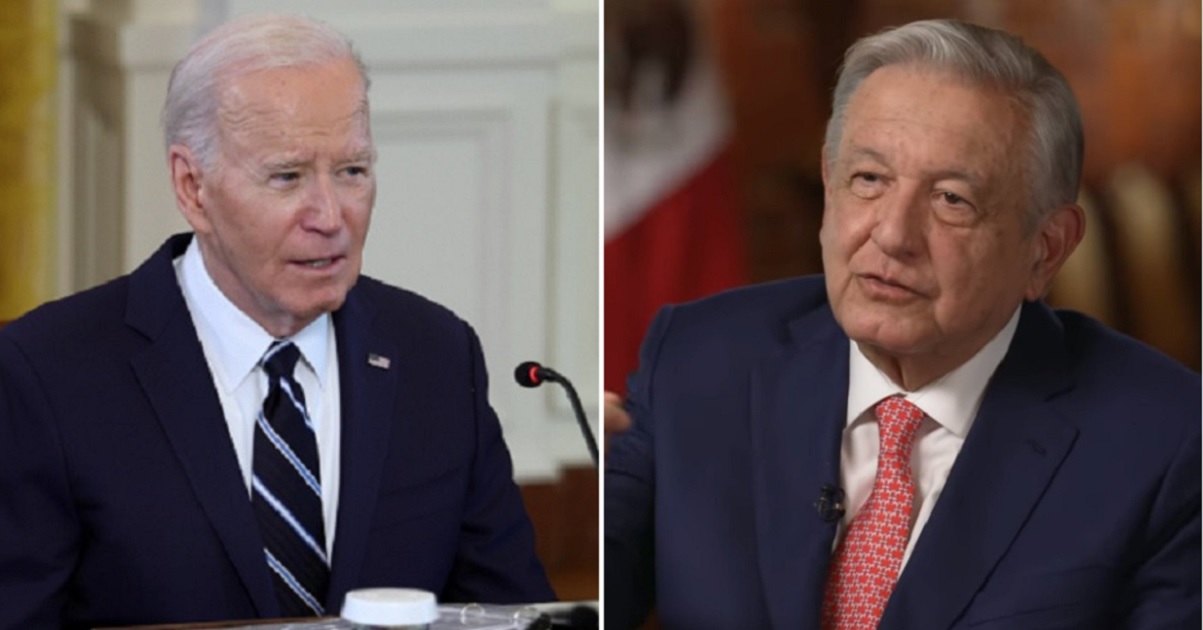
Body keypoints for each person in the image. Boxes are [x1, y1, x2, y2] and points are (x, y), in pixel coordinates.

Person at [604, 18, 1200, 629]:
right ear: (830, 188)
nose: (891, 235)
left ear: (1045, 249)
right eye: (869, 180)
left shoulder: (1168, 445)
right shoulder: (699, 361)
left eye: (951, 199)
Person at [0, 14, 554, 628]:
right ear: (193, 187)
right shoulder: (47, 374)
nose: (330, 215)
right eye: (287, 177)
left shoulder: (437, 356)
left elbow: (514, 612)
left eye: (352, 171)